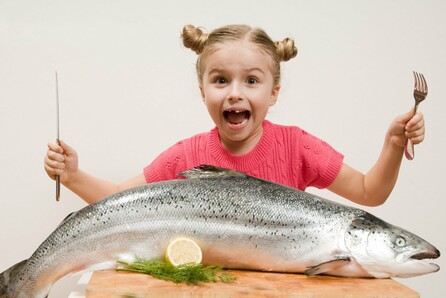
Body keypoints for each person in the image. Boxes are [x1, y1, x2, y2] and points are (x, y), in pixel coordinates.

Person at [44, 24, 425, 207]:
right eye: (221, 80)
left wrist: (393, 146)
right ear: (202, 91)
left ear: (273, 93)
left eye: (252, 81)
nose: (235, 93)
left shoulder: (298, 147)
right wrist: (73, 175)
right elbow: (118, 201)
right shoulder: (185, 156)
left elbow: (368, 192)